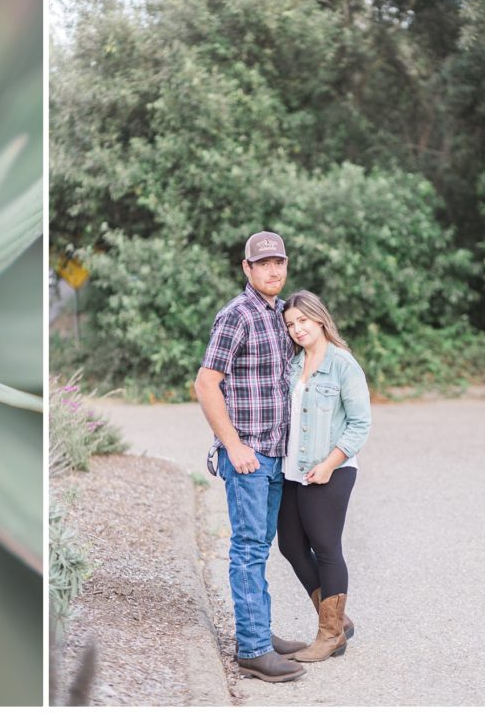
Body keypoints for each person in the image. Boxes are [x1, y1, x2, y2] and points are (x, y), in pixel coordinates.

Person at [195, 231, 306, 683]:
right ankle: (253, 649)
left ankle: (260, 632)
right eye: (262, 264)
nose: (272, 270)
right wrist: (234, 446)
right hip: (249, 457)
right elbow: (205, 384)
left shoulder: (281, 314)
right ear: (247, 269)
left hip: (277, 454)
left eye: (278, 262)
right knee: (246, 548)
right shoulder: (236, 316)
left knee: (259, 547)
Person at [278, 290, 371, 662]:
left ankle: (330, 634)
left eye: (303, 320)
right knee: (290, 545)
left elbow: (360, 424)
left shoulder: (342, 364)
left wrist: (331, 463)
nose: (297, 329)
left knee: (326, 547)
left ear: (319, 319)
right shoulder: (292, 364)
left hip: (331, 470)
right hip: (291, 470)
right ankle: (338, 619)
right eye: (290, 324)